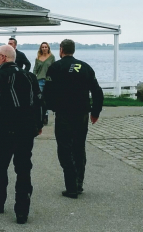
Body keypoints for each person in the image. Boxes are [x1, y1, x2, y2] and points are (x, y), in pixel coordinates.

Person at [0, 45, 43, 224]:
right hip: (26, 130)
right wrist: (38, 124)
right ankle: (22, 212)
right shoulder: (30, 77)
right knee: (24, 168)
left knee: (1, 165)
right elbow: (40, 102)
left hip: (5, 130)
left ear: (3, 57)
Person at [44, 39, 104, 199]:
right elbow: (97, 92)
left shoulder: (55, 67)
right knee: (79, 147)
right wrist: (95, 111)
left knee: (64, 149)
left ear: (61, 50)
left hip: (64, 114)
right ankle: (78, 183)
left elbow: (47, 93)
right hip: (82, 114)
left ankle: (71, 187)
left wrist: (46, 110)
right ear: (74, 50)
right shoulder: (85, 67)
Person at [33, 42, 55, 125]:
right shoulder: (38, 58)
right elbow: (35, 70)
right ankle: (41, 116)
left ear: (48, 48)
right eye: (43, 47)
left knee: (46, 98)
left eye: (46, 47)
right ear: (41, 48)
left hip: (48, 80)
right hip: (39, 80)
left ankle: (45, 115)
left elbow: (54, 69)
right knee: (39, 98)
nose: (44, 48)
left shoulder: (52, 57)